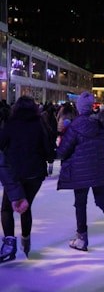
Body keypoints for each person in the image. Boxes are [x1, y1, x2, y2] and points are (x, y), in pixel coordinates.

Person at [56, 92, 104, 252]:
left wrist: (59, 140)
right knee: (102, 200)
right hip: (99, 170)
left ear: (79, 108)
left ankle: (82, 239)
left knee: (80, 204)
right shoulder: (100, 124)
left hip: (80, 171)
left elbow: (63, 151)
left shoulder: (75, 125)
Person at [0, 96, 55, 262]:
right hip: (34, 174)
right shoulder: (40, 125)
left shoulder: (11, 124)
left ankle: (9, 242)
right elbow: (48, 151)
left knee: (7, 208)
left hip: (15, 174)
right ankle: (26, 239)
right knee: (26, 206)